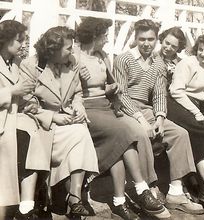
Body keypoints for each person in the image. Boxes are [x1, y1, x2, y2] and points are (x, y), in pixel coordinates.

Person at [76, 17, 169, 220]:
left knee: (121, 143)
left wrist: (112, 88)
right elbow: (71, 90)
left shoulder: (102, 56)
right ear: (94, 36)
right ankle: (142, 188)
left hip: (106, 107)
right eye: (105, 35)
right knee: (125, 132)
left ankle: (119, 201)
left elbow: (110, 86)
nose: (107, 40)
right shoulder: (76, 56)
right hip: (87, 109)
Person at [113, 19, 204, 215]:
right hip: (125, 110)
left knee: (179, 133)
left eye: (151, 39)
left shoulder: (158, 63)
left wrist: (160, 119)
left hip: (147, 110)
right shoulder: (123, 59)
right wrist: (142, 120)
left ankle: (176, 193)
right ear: (136, 38)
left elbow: (159, 94)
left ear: (156, 39)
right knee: (142, 134)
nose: (146, 43)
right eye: (142, 39)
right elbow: (121, 95)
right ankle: (148, 188)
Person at [19, 26, 99, 219]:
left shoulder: (71, 62)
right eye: (68, 48)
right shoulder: (31, 66)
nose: (72, 52)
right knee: (79, 134)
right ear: (52, 50)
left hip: (67, 119)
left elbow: (78, 93)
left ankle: (74, 197)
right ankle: (72, 197)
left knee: (81, 130)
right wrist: (52, 116)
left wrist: (79, 107)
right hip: (41, 123)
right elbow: (25, 101)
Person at [0, 20, 49, 220]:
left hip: (14, 116)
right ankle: (22, 207)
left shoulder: (16, 63)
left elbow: (25, 93)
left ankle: (26, 207)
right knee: (26, 140)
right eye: (19, 40)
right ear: (5, 39)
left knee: (36, 136)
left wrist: (31, 103)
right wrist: (12, 91)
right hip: (3, 121)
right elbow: (14, 90)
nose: (22, 44)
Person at [169, 33, 204, 208]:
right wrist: (196, 112)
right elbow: (176, 91)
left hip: (195, 107)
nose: (203, 54)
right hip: (177, 104)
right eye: (201, 50)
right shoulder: (187, 63)